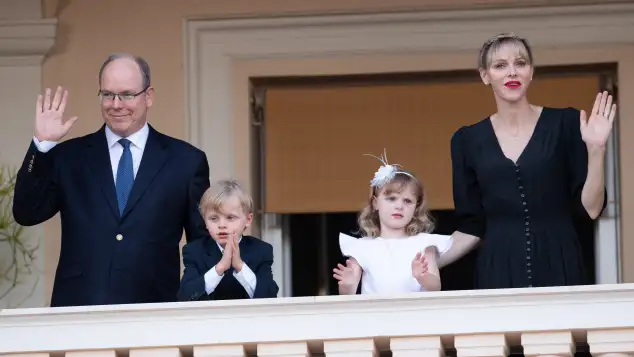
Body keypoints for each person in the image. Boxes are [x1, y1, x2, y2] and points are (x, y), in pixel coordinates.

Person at [12, 53, 211, 307]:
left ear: (148, 96)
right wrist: (41, 146)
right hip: (79, 312)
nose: (116, 104)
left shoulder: (186, 162)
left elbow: (202, 245)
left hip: (155, 314)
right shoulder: (69, 157)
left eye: (127, 94)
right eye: (107, 94)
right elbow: (26, 212)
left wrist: (194, 307)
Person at [445, 33, 613, 289]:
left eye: (520, 63)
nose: (512, 72)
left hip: (560, 262)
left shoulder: (566, 124)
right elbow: (472, 226)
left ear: (531, 72)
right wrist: (422, 259)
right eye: (500, 65)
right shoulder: (466, 140)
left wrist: (597, 149)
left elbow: (591, 208)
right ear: (485, 75)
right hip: (498, 268)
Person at [333, 152, 453, 295]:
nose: (399, 206)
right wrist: (347, 285)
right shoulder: (362, 246)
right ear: (375, 203)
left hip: (414, 315)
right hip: (375, 315)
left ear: (416, 208)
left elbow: (435, 286)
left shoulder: (425, 243)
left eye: (407, 201)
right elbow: (347, 296)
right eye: (391, 199)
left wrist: (423, 277)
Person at [178, 180, 278, 301]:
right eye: (214, 218)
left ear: (248, 220)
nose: (222, 225)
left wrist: (240, 266)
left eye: (230, 218)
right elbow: (185, 296)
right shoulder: (194, 251)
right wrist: (220, 268)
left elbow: (270, 296)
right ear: (205, 221)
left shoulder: (261, 250)